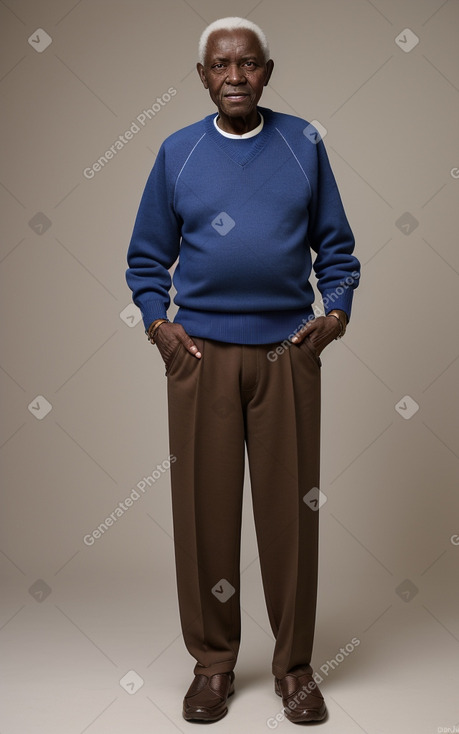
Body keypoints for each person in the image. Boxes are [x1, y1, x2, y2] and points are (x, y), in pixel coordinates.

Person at [126, 16, 360, 724]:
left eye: (248, 64)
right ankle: (213, 665)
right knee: (205, 516)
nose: (235, 76)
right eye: (220, 65)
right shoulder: (177, 153)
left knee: (292, 518)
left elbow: (337, 249)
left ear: (266, 71)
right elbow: (144, 259)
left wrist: (336, 314)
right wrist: (158, 325)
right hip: (200, 358)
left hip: (286, 354)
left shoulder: (303, 145)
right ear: (202, 76)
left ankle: (293, 669)